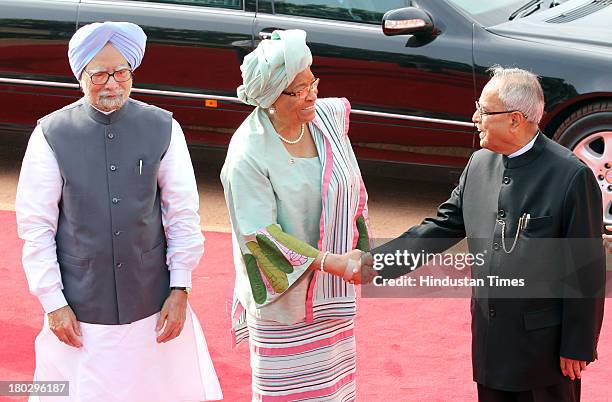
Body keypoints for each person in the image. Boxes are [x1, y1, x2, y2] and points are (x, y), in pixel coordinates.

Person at [368, 67, 605, 401]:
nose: (475, 117)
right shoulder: (479, 163)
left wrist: (577, 345)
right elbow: (442, 226)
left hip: (545, 353)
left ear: (515, 120)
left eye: (484, 110)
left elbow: (585, 270)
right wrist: (378, 262)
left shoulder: (570, 176)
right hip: (491, 345)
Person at [15, 22, 222, 402]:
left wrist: (180, 287)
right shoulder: (49, 134)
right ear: (80, 75)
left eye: (122, 72)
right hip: (80, 307)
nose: (112, 83)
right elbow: (36, 227)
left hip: (152, 303)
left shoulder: (164, 127)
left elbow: (182, 214)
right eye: (100, 74)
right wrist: (53, 303)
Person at [221, 29, 376, 401]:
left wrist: (364, 250)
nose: (312, 94)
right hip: (285, 308)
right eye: (298, 89)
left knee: (336, 392)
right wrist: (330, 262)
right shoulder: (247, 155)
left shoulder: (326, 120)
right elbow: (260, 237)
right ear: (271, 97)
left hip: (331, 297)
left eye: (313, 81)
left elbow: (352, 188)